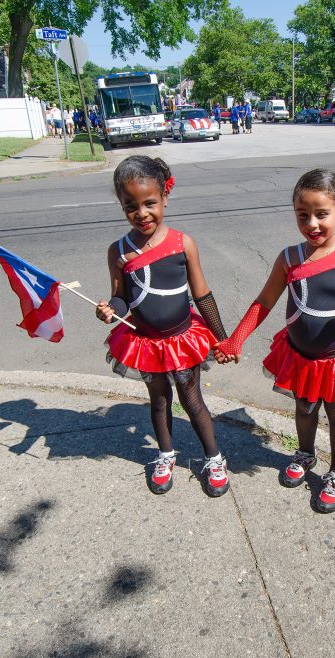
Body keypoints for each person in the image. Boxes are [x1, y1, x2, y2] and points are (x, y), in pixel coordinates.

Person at [216, 169, 335, 513]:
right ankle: (305, 453)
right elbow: (264, 302)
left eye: (322, 214)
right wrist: (236, 339)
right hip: (300, 355)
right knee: (305, 408)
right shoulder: (289, 258)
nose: (312, 224)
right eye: (302, 215)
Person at [95, 156, 231, 498]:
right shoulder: (118, 251)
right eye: (131, 206)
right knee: (159, 402)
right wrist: (111, 309)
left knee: (192, 400)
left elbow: (202, 294)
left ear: (165, 197)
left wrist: (224, 339)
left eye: (150, 203)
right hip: (144, 342)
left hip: (183, 339)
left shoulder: (183, 243)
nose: (142, 213)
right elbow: (122, 298)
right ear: (121, 205)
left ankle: (214, 458)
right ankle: (165, 454)